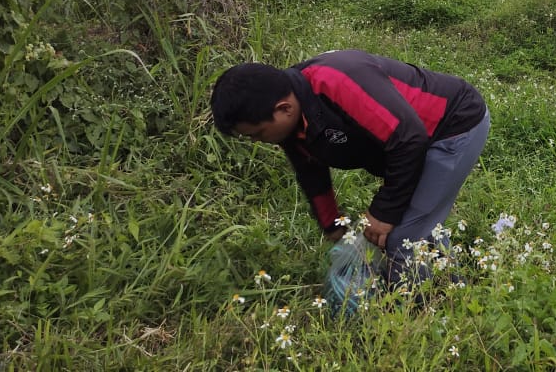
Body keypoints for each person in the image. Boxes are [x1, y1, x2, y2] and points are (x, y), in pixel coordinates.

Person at [209, 49, 490, 286]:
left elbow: (408, 140)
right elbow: (311, 171)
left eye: (257, 133)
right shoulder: (293, 123)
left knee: (401, 239)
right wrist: (331, 225)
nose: (260, 141)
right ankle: (450, 282)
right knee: (413, 226)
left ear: (284, 109)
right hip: (412, 143)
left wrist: (383, 211)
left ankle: (428, 308)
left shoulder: (335, 82)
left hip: (451, 127)